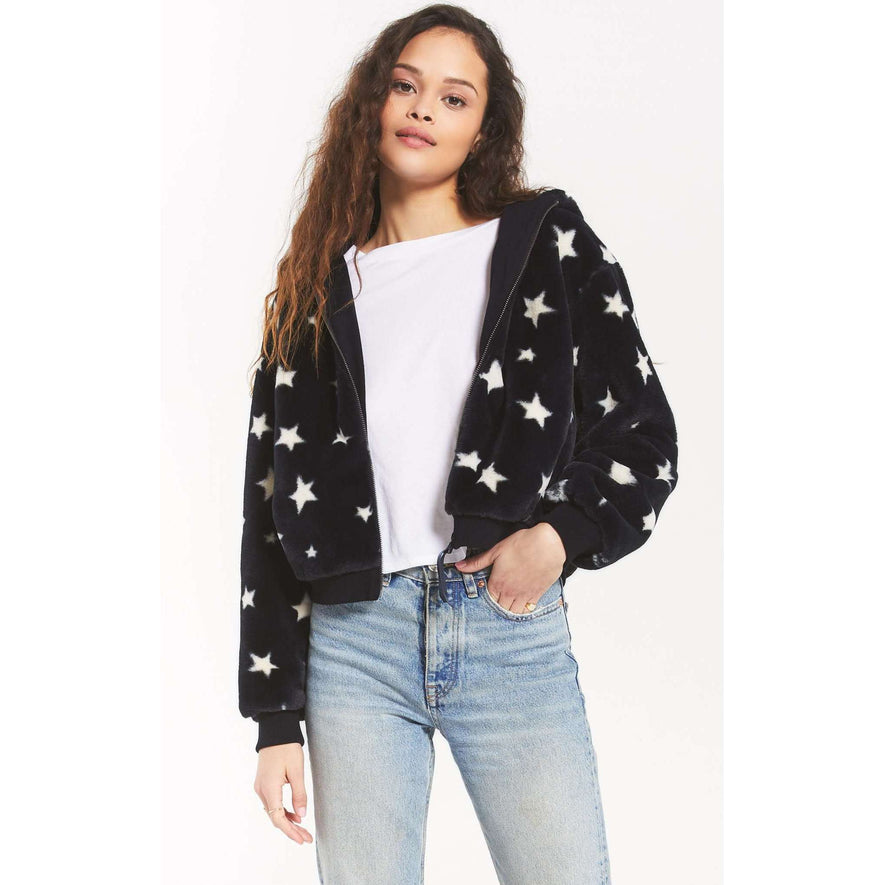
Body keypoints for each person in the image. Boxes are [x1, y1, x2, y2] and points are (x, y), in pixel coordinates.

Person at [238, 5, 678, 882]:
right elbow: (268, 510)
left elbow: (642, 431)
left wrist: (556, 538)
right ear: (371, 102)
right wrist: (275, 719)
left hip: (505, 626)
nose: (422, 109)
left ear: (483, 130)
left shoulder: (543, 240)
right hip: (353, 647)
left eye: (453, 97)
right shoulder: (316, 290)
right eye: (404, 85)